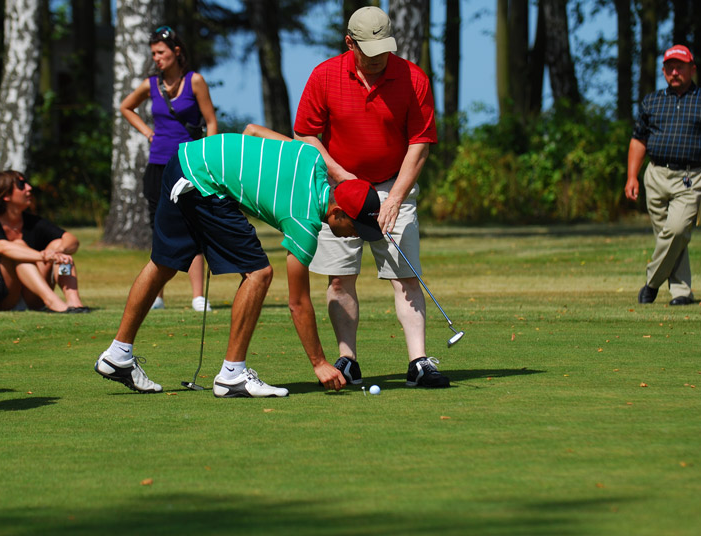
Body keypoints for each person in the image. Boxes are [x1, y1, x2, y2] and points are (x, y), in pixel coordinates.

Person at [94, 132, 384, 396]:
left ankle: (118, 354)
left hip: (185, 160)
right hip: (204, 182)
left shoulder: (312, 157)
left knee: (163, 263)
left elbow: (252, 130)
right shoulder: (303, 221)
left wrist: (237, 176)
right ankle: (232, 375)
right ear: (337, 212)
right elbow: (298, 303)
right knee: (259, 273)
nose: (356, 235)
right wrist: (319, 363)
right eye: (356, 227)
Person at [293, 6, 448, 388]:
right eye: (370, 51)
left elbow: (420, 143)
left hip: (393, 186)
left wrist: (394, 197)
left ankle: (418, 363)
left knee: (405, 277)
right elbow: (305, 134)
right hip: (339, 191)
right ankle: (348, 360)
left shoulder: (412, 78)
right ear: (350, 43)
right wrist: (340, 176)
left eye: (384, 49)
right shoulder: (325, 75)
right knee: (340, 279)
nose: (379, 58)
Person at [120, 25, 218, 312]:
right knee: (159, 228)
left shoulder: (195, 81)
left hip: (188, 164)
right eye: (153, 54)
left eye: (161, 52)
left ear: (176, 52)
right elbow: (126, 107)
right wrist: (148, 133)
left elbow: (210, 121)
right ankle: (158, 296)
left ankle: (198, 297)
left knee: (192, 225)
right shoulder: (151, 84)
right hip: (158, 164)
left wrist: (208, 156)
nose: (157, 58)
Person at [625, 44, 701, 306]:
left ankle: (651, 282)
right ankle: (681, 293)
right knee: (668, 238)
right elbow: (638, 140)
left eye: (680, 67)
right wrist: (632, 176)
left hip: (692, 177)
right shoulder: (652, 101)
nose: (675, 71)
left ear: (692, 69)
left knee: (677, 231)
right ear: (663, 71)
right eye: (670, 67)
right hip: (656, 174)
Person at [0, 170, 89, 313]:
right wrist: (44, 256)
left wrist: (59, 252)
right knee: (18, 246)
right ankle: (52, 301)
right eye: (21, 185)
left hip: (32, 297)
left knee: (59, 246)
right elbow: (2, 248)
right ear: (6, 196)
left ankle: (74, 302)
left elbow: (72, 240)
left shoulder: (33, 221)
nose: (29, 188)